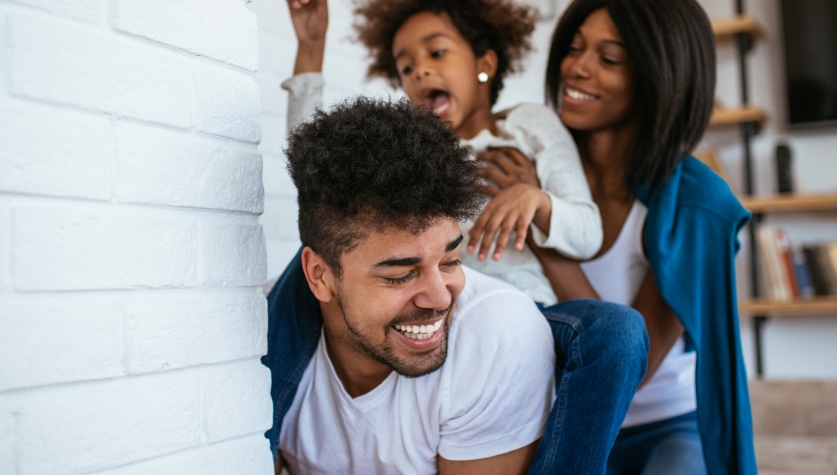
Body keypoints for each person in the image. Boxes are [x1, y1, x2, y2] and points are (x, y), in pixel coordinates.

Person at [264, 97, 648, 474]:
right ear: (318, 275)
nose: (442, 296)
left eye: (450, 261)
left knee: (616, 332)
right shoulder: (259, 347)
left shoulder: (496, 331)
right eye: (400, 275)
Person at [479, 0, 758, 473]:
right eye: (573, 48)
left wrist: (545, 226)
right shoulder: (527, 160)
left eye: (608, 59)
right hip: (552, 415)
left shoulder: (695, 204)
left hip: (664, 423)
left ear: (659, 75)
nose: (576, 68)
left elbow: (632, 365)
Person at [285, 0, 602, 306]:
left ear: (485, 64)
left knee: (618, 329)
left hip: (531, 306)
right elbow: (316, 166)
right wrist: (311, 48)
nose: (420, 70)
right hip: (442, 312)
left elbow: (588, 235)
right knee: (312, 258)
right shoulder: (411, 154)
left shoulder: (527, 125)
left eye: (437, 52)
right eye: (406, 67)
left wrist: (535, 200)